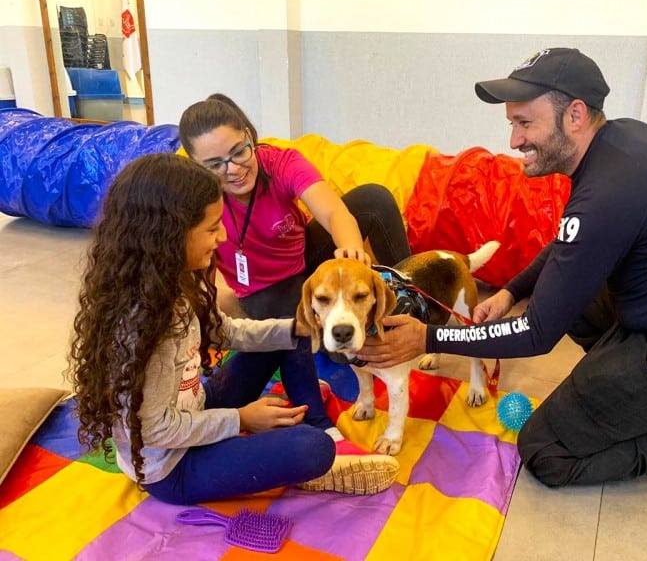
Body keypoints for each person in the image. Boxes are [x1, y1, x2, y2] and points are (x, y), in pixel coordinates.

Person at [358, 47, 647, 487]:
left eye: (525, 123)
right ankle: (646, 392)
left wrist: (428, 336)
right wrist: (511, 290)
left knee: (547, 453)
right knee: (567, 293)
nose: (513, 141)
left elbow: (537, 333)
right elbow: (574, 242)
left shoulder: (608, 192)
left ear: (575, 115)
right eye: (512, 124)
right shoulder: (623, 141)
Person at [67, 153, 399, 505]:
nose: (223, 236)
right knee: (311, 450)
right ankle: (315, 446)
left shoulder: (172, 283)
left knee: (294, 330)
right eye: (212, 228)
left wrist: (298, 327)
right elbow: (155, 429)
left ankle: (318, 421)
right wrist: (240, 419)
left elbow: (225, 331)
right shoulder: (146, 322)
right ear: (169, 235)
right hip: (173, 467)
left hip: (195, 410)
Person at [177, 94, 412, 470]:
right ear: (195, 165)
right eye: (215, 164)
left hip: (304, 264)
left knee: (374, 199)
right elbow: (194, 266)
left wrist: (352, 253)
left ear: (251, 137)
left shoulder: (279, 161)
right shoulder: (193, 196)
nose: (234, 169)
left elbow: (334, 210)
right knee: (298, 329)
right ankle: (319, 422)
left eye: (240, 152)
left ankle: (404, 303)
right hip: (260, 290)